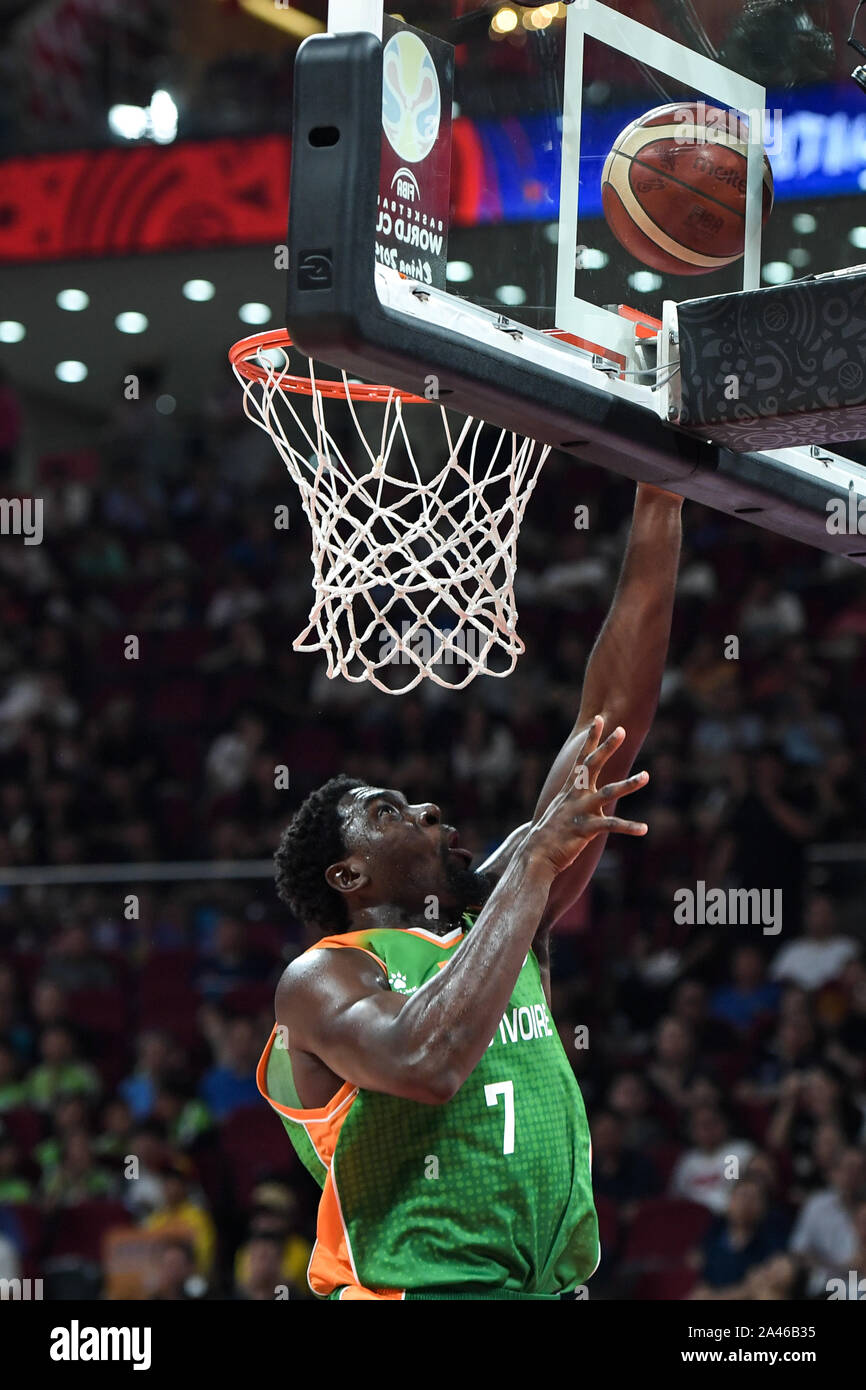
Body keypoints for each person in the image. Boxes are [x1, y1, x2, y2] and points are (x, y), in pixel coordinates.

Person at [260, 484, 683, 1300]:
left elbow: (612, 718)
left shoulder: (499, 909)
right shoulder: (324, 978)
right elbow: (427, 1060)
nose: (425, 808)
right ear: (348, 878)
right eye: (388, 812)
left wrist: (660, 492)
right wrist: (529, 870)